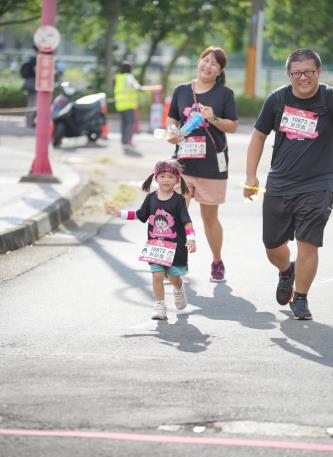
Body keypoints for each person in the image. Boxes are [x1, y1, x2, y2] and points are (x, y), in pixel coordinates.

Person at [244, 48, 333, 320]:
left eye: (309, 72)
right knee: (272, 245)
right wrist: (251, 176)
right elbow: (258, 137)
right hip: (280, 183)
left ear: (318, 72)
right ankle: (286, 272)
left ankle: (302, 299)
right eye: (297, 73)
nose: (303, 78)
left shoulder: (329, 99)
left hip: (319, 184)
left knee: (309, 242)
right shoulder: (278, 99)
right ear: (288, 74)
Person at [167, 46, 239, 282]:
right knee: (177, 213)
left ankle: (217, 261)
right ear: (198, 62)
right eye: (205, 60)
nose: (208, 66)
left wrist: (212, 118)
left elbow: (232, 126)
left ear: (220, 71)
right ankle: (175, 261)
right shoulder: (181, 91)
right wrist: (172, 134)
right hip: (183, 164)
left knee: (209, 218)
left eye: (214, 63)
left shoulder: (224, 94)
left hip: (212, 165)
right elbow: (172, 121)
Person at [106, 159, 196, 320]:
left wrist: (191, 239)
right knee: (157, 275)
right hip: (156, 246)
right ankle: (159, 305)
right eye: (162, 176)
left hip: (175, 248)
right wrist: (121, 213)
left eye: (170, 176)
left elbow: (186, 222)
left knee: (173, 277)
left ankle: (178, 287)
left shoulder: (179, 201)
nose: (166, 179)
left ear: (177, 179)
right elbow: (140, 214)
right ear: (156, 178)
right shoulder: (151, 198)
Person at [114, 61, 142, 156]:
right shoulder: (129, 77)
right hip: (128, 104)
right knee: (130, 123)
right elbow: (135, 85)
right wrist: (138, 86)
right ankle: (127, 142)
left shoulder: (119, 77)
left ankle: (123, 142)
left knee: (124, 124)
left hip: (120, 105)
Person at [20, 46, 37, 128]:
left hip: (29, 83)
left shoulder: (31, 59)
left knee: (31, 103)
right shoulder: (36, 60)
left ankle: (30, 121)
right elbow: (37, 70)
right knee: (32, 103)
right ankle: (29, 122)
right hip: (33, 84)